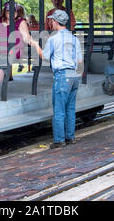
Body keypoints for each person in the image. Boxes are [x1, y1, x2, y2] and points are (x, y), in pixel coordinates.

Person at [30, 10, 83, 148]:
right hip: (74, 75)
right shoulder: (74, 38)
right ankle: (70, 137)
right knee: (70, 109)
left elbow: (45, 56)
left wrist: (35, 45)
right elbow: (79, 60)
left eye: (52, 20)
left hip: (62, 76)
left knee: (59, 109)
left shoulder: (54, 38)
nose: (50, 22)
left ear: (55, 22)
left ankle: (59, 140)